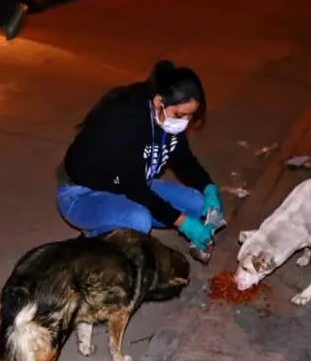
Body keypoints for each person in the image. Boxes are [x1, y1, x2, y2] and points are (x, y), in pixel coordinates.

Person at [55, 60, 224, 253]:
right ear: (158, 101)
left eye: (190, 116)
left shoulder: (167, 117)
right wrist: (182, 222)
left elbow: (183, 159)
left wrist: (208, 188)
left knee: (198, 204)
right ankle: (93, 240)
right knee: (138, 220)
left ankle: (117, 221)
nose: (184, 122)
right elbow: (135, 188)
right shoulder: (126, 121)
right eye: (180, 115)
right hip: (81, 194)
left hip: (127, 184)